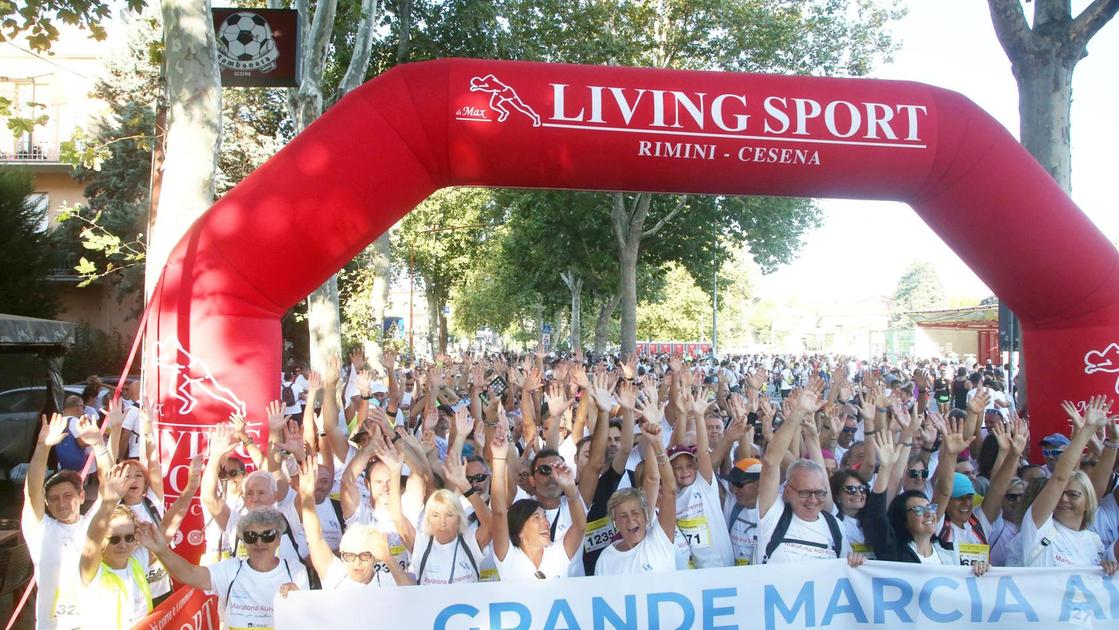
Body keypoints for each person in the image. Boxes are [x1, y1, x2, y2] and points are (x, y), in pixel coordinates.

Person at [140, 507, 308, 629]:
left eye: (267, 536)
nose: (259, 542)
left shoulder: (294, 570)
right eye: (251, 536)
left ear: (278, 539)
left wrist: (298, 596)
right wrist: (160, 550)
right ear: (243, 541)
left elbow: (306, 615)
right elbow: (188, 573)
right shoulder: (231, 570)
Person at [756, 383, 863, 567]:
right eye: (805, 493)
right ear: (787, 491)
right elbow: (771, 461)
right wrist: (798, 413)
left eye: (819, 493)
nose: (813, 500)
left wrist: (855, 563)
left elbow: (845, 569)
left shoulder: (834, 527)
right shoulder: (774, 515)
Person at [22, 414, 112, 630]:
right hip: (53, 625)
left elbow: (109, 487)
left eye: (68, 496)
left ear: (81, 497)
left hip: (95, 622)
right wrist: (43, 446)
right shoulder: (39, 529)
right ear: (47, 503)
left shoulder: (92, 523)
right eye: (53, 498)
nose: (61, 503)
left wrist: (99, 445)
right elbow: (32, 491)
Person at [1015, 397, 1119, 574]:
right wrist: (1086, 431)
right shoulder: (1038, 528)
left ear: (1089, 502)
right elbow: (1059, 478)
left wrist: (1107, 568)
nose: (1063, 499)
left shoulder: (1094, 542)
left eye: (1073, 495)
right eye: (1060, 494)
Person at [864, 432, 988, 574]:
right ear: (903, 519)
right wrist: (885, 469)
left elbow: (969, 581)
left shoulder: (950, 552)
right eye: (919, 510)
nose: (929, 514)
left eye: (930, 507)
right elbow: (876, 517)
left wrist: (981, 569)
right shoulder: (893, 552)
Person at [297, 458, 413, 588]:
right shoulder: (335, 575)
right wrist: (306, 494)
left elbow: (411, 592)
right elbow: (315, 538)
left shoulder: (387, 580)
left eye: (364, 556)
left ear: (374, 558)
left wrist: (388, 559)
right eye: (349, 555)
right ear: (341, 553)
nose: (357, 562)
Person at [490, 425, 584, 580]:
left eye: (544, 517)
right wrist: (499, 459)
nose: (546, 523)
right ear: (519, 529)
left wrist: (570, 488)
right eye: (536, 518)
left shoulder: (558, 554)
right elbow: (499, 513)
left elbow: (580, 527)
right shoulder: (508, 557)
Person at [595, 413, 679, 575]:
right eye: (623, 516)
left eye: (635, 513)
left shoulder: (659, 539)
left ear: (646, 515)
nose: (630, 520)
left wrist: (657, 445)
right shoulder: (606, 558)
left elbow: (669, 489)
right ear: (615, 522)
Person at [78, 464, 158, 629]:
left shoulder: (137, 561)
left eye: (129, 537)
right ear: (102, 541)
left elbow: (166, 537)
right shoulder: (93, 571)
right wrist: (110, 501)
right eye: (114, 539)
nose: (123, 544)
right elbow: (91, 543)